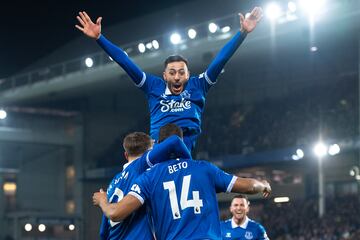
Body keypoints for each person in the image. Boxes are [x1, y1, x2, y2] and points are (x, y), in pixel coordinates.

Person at [75, 7, 263, 151]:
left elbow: (221, 59)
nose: (177, 77)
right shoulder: (152, 86)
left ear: (188, 74)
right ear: (164, 75)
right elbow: (124, 61)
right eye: (172, 72)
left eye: (182, 72)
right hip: (157, 155)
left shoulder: (199, 85)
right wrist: (100, 38)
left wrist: (242, 34)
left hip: (186, 155)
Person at [93, 123, 271, 240]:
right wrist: (262, 184)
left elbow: (116, 213)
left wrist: (102, 201)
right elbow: (248, 186)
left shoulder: (148, 177)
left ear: (158, 146)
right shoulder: (204, 168)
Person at [99, 131, 191, 240]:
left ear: (125, 155)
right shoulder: (140, 166)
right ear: (149, 151)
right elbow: (175, 141)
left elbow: (103, 233)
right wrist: (190, 166)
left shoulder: (113, 183)